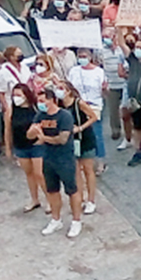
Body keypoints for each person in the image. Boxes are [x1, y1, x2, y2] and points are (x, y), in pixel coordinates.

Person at [32, 85, 82, 238]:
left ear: (51, 100)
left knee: (72, 190)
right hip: (48, 159)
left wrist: (43, 138)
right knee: (52, 190)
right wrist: (34, 131)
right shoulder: (40, 116)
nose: (40, 104)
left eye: (42, 100)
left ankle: (76, 221)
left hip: (64, 159)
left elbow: (62, 139)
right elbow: (30, 134)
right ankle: (56, 219)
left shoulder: (64, 116)